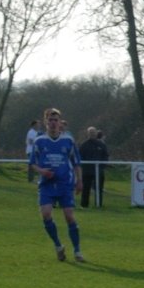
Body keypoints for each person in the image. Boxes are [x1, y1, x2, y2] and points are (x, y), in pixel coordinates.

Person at [29, 108, 85, 262]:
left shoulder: (68, 141)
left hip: (65, 184)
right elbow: (32, 163)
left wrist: (79, 180)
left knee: (69, 216)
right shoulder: (39, 141)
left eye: (56, 120)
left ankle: (77, 251)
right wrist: (42, 171)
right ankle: (58, 246)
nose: (53, 123)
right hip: (47, 184)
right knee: (46, 214)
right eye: (50, 120)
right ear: (46, 123)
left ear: (60, 123)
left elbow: (77, 163)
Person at [79, 126, 109, 208]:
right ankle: (84, 205)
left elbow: (105, 156)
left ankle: (98, 204)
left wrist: (102, 166)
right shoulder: (84, 145)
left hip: (99, 171)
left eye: (93, 132)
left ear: (96, 133)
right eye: (90, 133)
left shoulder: (102, 144)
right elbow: (80, 157)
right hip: (87, 171)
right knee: (86, 188)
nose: (92, 134)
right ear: (88, 134)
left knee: (99, 189)